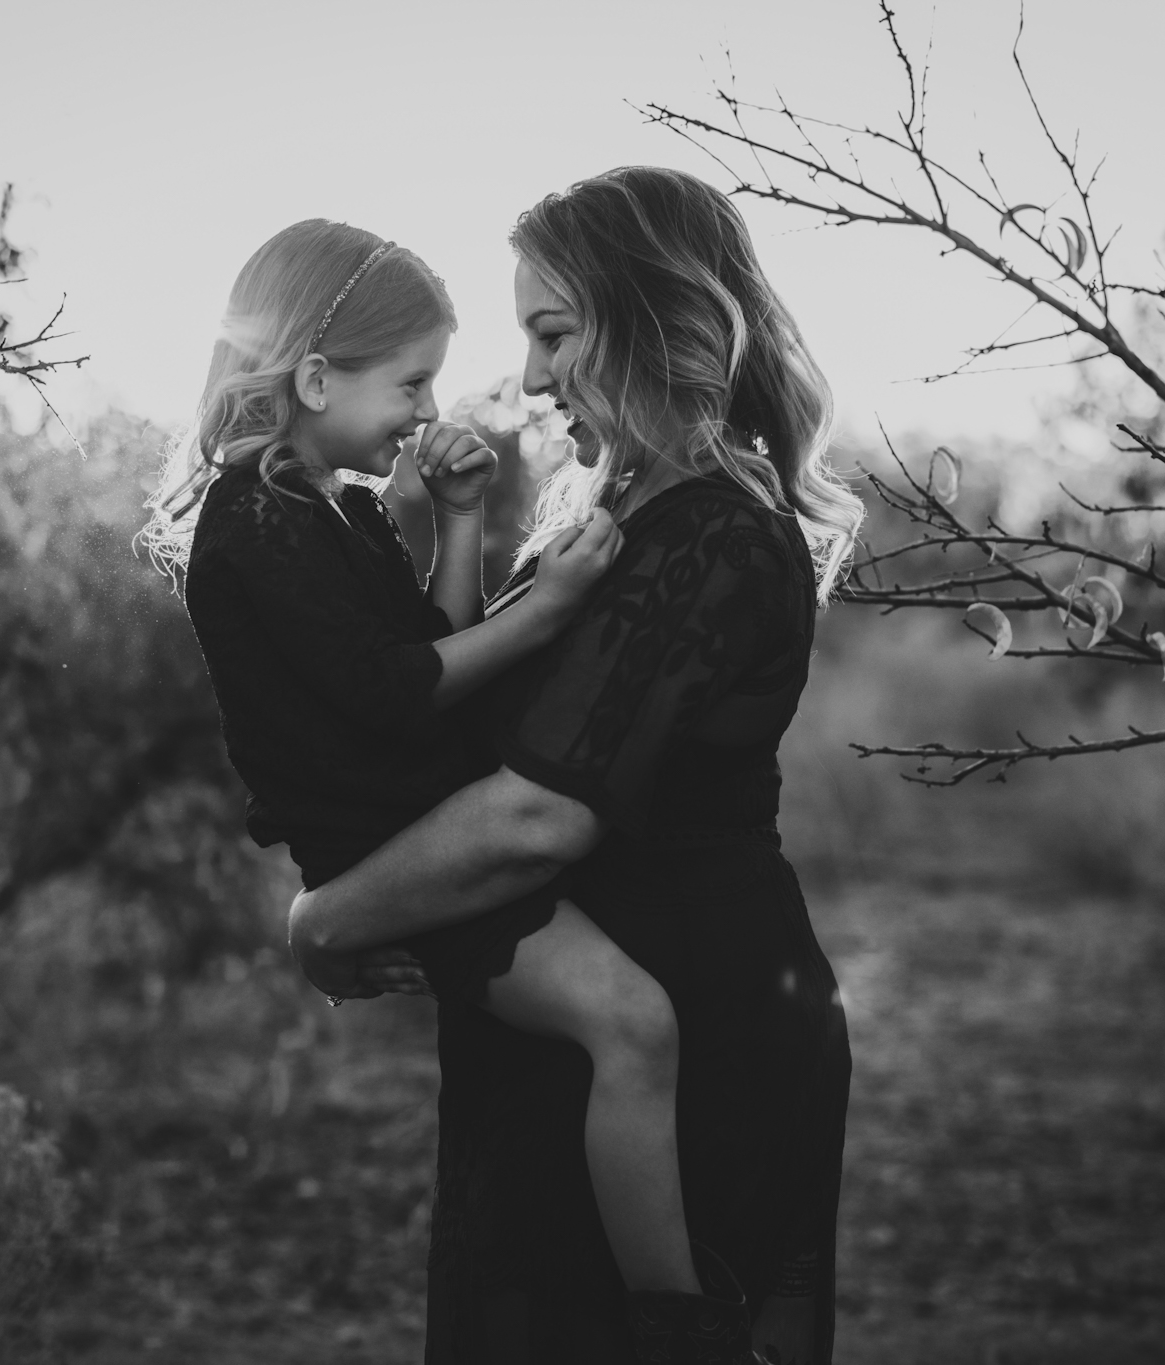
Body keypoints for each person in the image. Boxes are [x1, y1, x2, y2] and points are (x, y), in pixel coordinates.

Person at [287, 168, 865, 1364]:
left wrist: (325, 919)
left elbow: (540, 815)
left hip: (690, 1048)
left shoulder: (709, 531)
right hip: (573, 1040)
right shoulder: (616, 515)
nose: (537, 377)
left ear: (657, 318)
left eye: (554, 333)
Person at [141, 219, 713, 1341]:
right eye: (410, 382)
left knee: (623, 1023)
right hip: (391, 850)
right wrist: (547, 606)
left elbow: (432, 647)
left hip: (423, 816)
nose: (424, 410)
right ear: (313, 376)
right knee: (632, 1026)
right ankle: (680, 1326)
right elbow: (398, 694)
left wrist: (456, 522)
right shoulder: (250, 521)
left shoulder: (336, 507)